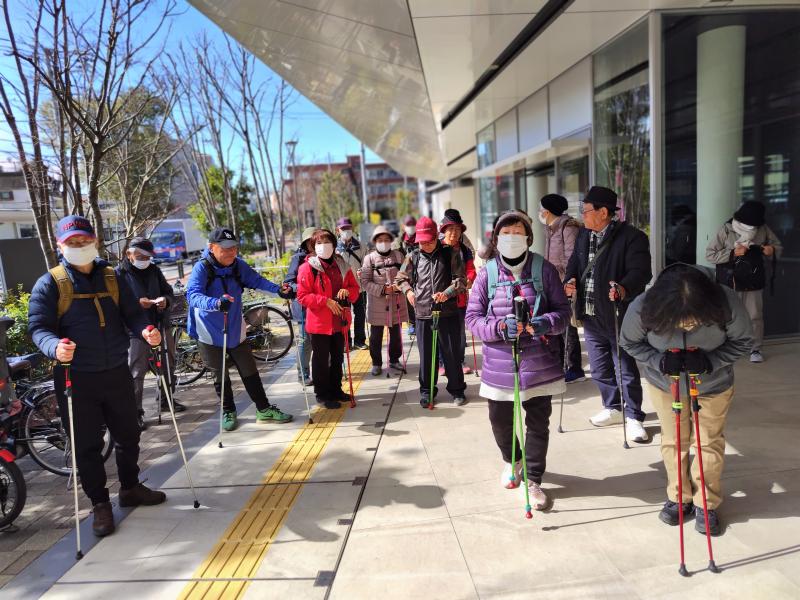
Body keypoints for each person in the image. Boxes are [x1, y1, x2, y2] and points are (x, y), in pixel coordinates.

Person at [28, 216, 166, 537]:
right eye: (72, 242)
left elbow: (132, 313)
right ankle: (100, 505)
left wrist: (145, 330)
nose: (79, 247)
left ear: (95, 241)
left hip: (115, 370)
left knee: (129, 433)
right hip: (76, 378)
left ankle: (130, 487)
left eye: (84, 241)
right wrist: (53, 346)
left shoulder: (112, 277)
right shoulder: (50, 283)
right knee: (87, 445)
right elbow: (38, 328)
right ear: (60, 246)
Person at [620, 264, 753, 535]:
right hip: (665, 385)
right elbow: (629, 342)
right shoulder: (643, 306)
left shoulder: (725, 301)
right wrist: (658, 360)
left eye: (693, 321)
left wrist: (710, 360)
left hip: (713, 384)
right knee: (673, 441)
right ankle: (678, 496)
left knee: (708, 443)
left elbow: (744, 341)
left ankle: (707, 502)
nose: (687, 326)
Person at [466, 210, 570, 510]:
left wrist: (542, 323)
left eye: (518, 232)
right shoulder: (487, 274)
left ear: (528, 237)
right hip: (500, 364)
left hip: (539, 363)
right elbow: (472, 319)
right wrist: (499, 327)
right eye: (506, 233)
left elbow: (563, 314)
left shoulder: (544, 270)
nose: (512, 238)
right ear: (496, 239)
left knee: (538, 423)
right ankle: (513, 460)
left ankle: (534, 479)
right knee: (500, 420)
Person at [564, 186, 652, 442]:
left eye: (587, 210)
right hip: (590, 313)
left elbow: (641, 272)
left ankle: (634, 416)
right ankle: (612, 407)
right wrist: (569, 280)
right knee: (600, 367)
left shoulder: (632, 237)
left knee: (624, 366)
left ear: (604, 212)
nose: (583, 214)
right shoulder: (583, 235)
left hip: (617, 313)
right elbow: (574, 264)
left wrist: (624, 288)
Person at [186, 227, 293, 432]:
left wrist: (278, 291)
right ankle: (228, 411)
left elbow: (257, 281)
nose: (231, 252)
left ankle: (263, 408)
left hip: (235, 328)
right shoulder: (202, 268)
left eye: (234, 248)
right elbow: (192, 296)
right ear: (211, 248)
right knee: (220, 375)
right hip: (208, 331)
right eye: (225, 248)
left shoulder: (238, 266)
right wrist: (216, 303)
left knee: (249, 369)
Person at [395, 216, 466, 406]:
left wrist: (447, 293)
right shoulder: (413, 256)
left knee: (451, 354)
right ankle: (427, 391)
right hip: (423, 313)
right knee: (426, 356)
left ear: (437, 236)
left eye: (429, 241)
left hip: (447, 312)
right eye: (422, 242)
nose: (425, 245)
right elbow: (400, 278)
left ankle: (457, 389)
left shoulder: (450, 253)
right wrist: (409, 291)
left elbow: (461, 280)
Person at [116, 236, 182, 432]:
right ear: (129, 254)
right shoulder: (118, 274)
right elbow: (115, 304)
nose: (143, 259)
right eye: (139, 255)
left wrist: (165, 301)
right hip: (135, 331)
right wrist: (137, 304)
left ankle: (166, 400)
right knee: (137, 370)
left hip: (160, 323)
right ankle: (135, 412)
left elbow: (168, 291)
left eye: (147, 256)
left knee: (168, 362)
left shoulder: (154, 270)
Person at [705, 200, 782, 363]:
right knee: (726, 314)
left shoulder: (763, 228)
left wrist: (771, 250)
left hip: (753, 278)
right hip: (730, 279)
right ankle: (724, 346)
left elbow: (777, 246)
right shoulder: (727, 228)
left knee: (755, 315)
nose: (751, 226)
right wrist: (733, 253)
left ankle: (755, 348)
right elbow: (710, 254)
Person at [297, 229, 360, 408]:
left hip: (340, 321)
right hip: (319, 323)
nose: (323, 246)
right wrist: (324, 301)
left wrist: (347, 291)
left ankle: (336, 390)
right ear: (312, 246)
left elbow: (355, 289)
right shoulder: (308, 267)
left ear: (334, 244)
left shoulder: (342, 264)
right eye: (318, 243)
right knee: (321, 359)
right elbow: (302, 296)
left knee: (338, 357)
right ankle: (322, 394)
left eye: (327, 242)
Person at [538, 194, 585, 383]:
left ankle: (574, 368)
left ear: (547, 211)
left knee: (568, 326)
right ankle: (559, 365)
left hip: (564, 284)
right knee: (556, 325)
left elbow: (572, 259)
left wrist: (565, 280)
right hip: (552, 284)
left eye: (541, 208)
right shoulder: (551, 228)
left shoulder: (568, 227)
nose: (540, 212)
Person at [360, 225, 408, 376]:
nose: (384, 242)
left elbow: (408, 273)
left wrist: (399, 285)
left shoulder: (399, 256)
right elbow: (365, 281)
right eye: (380, 240)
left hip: (397, 302)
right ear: (375, 241)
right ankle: (376, 363)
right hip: (377, 305)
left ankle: (394, 360)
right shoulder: (369, 258)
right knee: (375, 337)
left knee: (396, 335)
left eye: (387, 239)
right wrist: (382, 290)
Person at [438, 209, 476, 375]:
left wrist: (470, 278)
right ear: (444, 230)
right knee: (441, 332)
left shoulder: (465, 250)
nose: (454, 233)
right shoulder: (437, 247)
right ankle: (442, 363)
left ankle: (460, 360)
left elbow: (471, 269)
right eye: (450, 229)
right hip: (440, 296)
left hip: (459, 297)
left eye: (457, 229)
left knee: (459, 332)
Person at [282, 226, 316, 385]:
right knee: (305, 343)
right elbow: (288, 283)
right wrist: (303, 288)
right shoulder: (298, 258)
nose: (314, 244)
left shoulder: (326, 257)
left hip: (320, 309)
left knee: (321, 343)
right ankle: (303, 375)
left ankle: (325, 371)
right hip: (303, 309)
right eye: (311, 241)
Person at [335, 217, 368, 350]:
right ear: (338, 230)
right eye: (343, 229)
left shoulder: (361, 246)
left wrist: (364, 270)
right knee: (344, 315)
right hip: (342, 289)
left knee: (360, 314)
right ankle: (345, 342)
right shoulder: (334, 248)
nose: (346, 231)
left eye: (348, 228)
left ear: (352, 228)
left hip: (359, 287)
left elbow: (367, 264)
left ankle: (359, 341)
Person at [396, 215, 418, 335]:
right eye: (408, 225)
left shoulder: (421, 239)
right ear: (403, 226)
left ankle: (420, 322)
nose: (411, 227)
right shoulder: (399, 242)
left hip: (420, 274)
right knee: (408, 301)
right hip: (405, 275)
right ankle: (412, 324)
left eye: (413, 225)